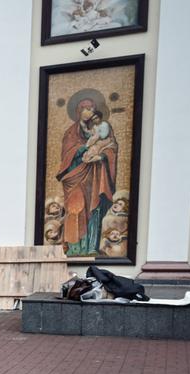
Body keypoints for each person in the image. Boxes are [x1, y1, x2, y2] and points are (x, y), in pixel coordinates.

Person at [56, 94, 118, 257]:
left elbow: (111, 148)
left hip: (96, 177)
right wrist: (85, 147)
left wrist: (102, 156)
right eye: (86, 109)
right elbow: (67, 154)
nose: (90, 112)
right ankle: (74, 248)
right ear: (79, 111)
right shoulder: (71, 132)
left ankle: (91, 247)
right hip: (76, 177)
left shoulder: (103, 127)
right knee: (76, 209)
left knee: (94, 211)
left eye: (92, 109)